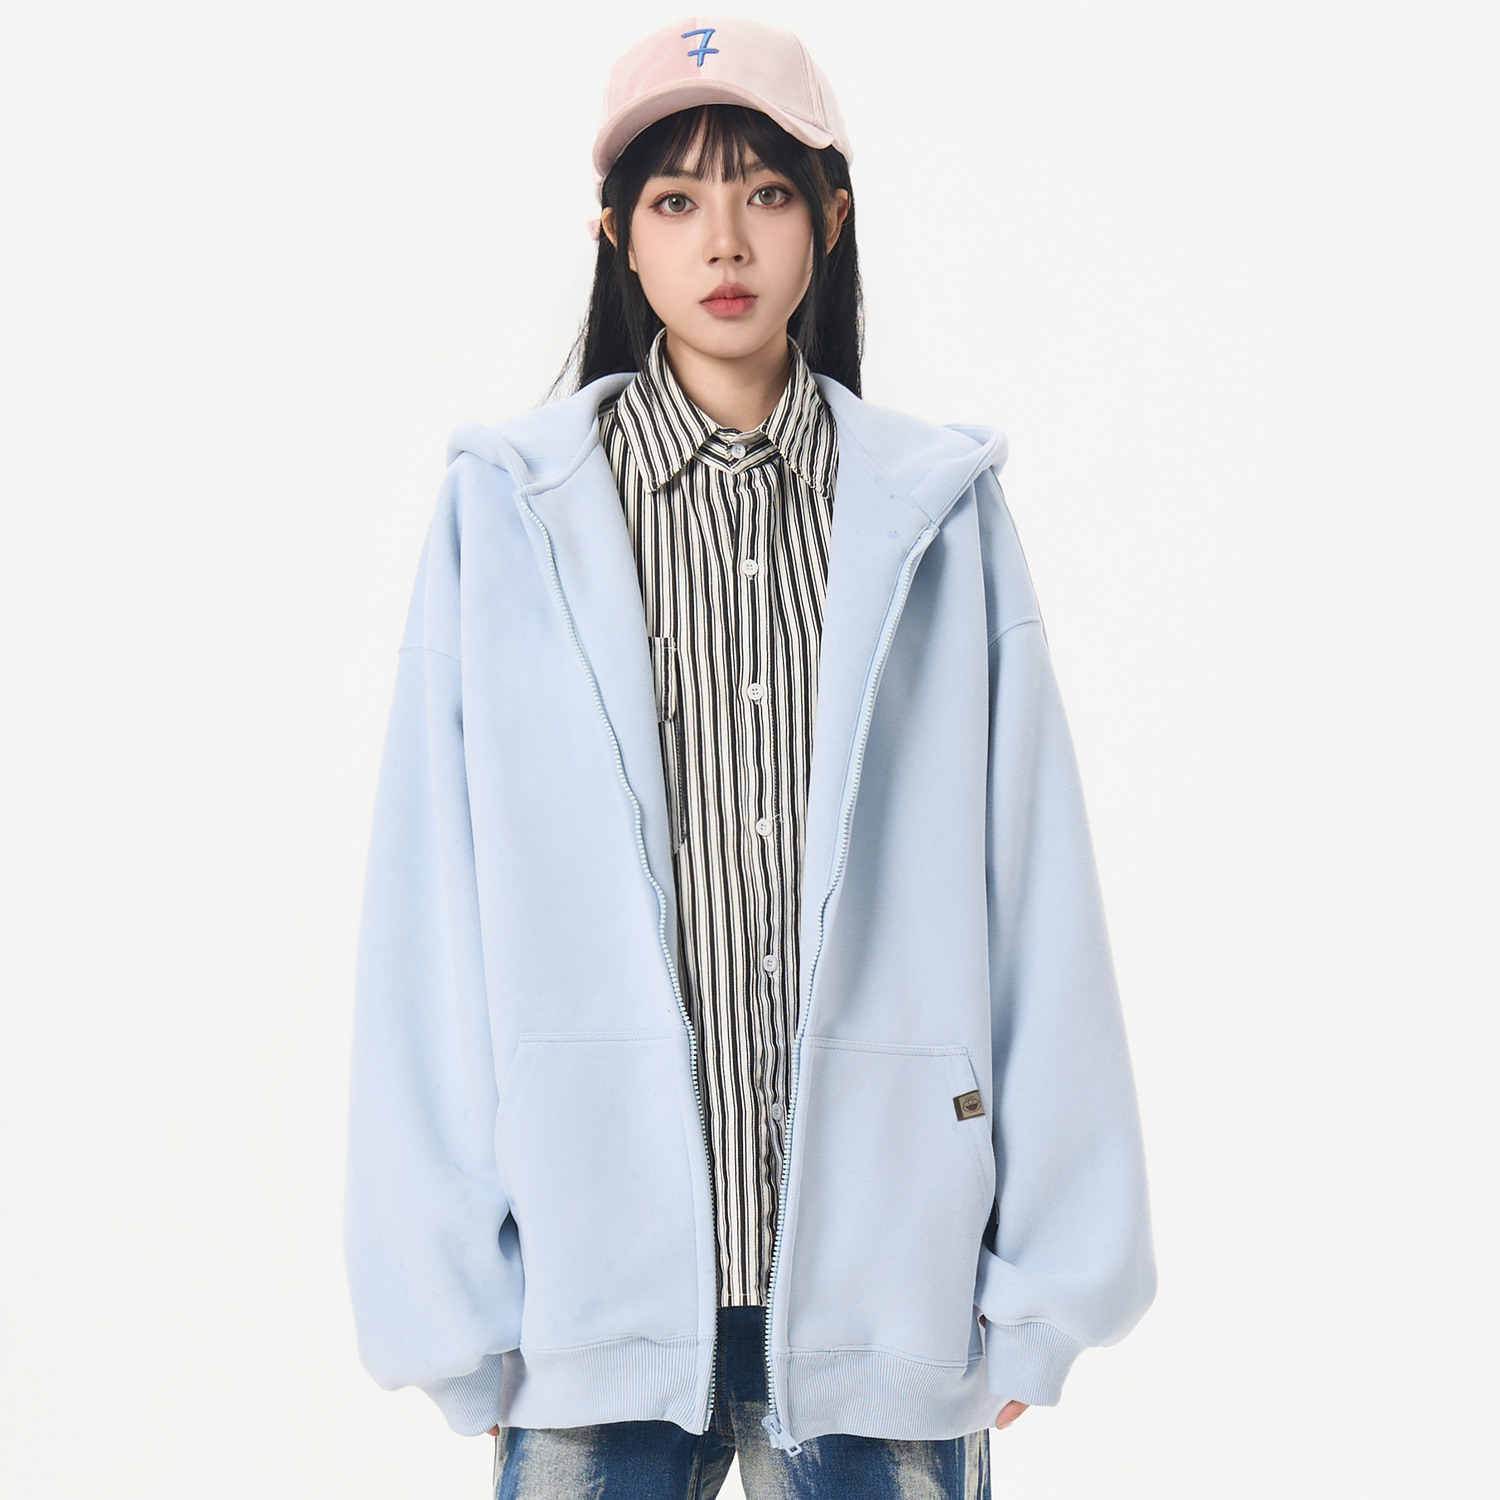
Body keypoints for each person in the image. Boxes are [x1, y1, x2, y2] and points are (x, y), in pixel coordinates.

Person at [342, 16, 1157, 1499]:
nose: (725, 238)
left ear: (829, 220)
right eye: (677, 199)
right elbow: (428, 914)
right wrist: (445, 1299)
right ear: (618, 234)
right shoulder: (506, 518)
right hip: (583, 1300)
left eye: (767, 192)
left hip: (887, 1291)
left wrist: (1047, 1283)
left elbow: (1035, 889)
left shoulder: (938, 514)